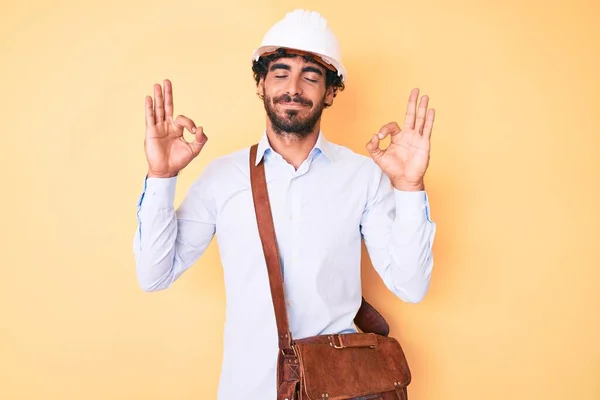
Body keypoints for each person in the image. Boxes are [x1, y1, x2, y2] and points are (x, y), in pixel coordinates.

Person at [133, 8, 437, 400]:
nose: (293, 87)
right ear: (260, 84)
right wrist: (161, 178)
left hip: (341, 389)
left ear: (330, 91)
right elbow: (154, 275)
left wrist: (409, 186)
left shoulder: (363, 176)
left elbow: (411, 286)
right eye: (280, 72)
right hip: (248, 388)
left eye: (311, 76)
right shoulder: (222, 177)